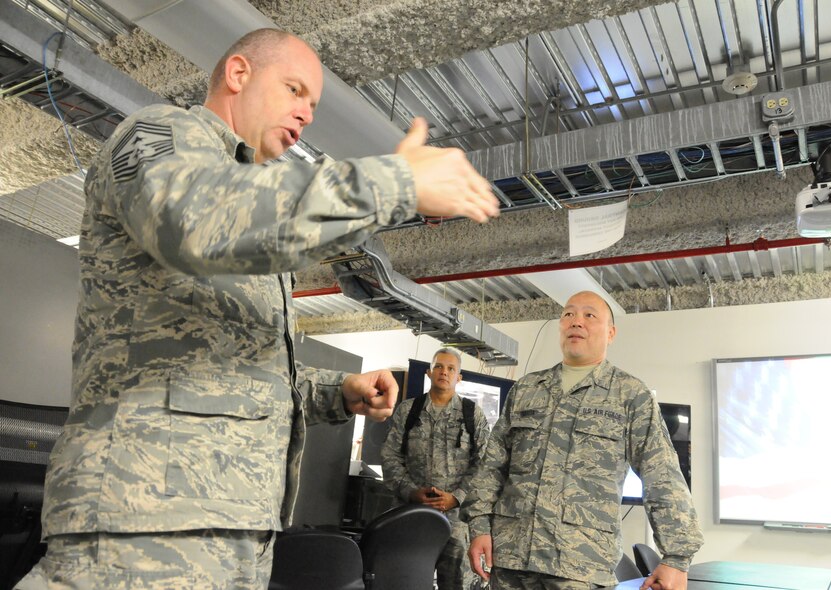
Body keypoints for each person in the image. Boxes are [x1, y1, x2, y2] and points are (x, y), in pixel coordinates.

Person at [17, 28, 499, 590]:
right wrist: (393, 182)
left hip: (234, 524)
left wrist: (336, 392)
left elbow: (246, 373)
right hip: (144, 517)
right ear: (238, 74)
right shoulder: (160, 134)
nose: (305, 114)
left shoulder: (254, 198)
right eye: (295, 89)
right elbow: (194, 219)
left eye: (313, 105)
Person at [462, 291, 703, 590]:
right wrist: (479, 527)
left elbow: (662, 473)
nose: (577, 321)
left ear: (611, 333)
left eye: (590, 315)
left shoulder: (629, 395)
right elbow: (492, 467)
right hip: (511, 560)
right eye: (568, 314)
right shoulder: (526, 389)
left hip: (580, 567)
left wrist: (676, 557)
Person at [380, 348, 490, 590]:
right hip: (412, 514)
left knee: (455, 584)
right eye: (439, 366)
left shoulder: (472, 415)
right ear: (429, 372)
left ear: (459, 377)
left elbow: (484, 463)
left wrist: (457, 498)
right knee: (405, 582)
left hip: (456, 521)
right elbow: (389, 455)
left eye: (451, 369)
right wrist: (410, 492)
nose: (444, 372)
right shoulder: (409, 411)